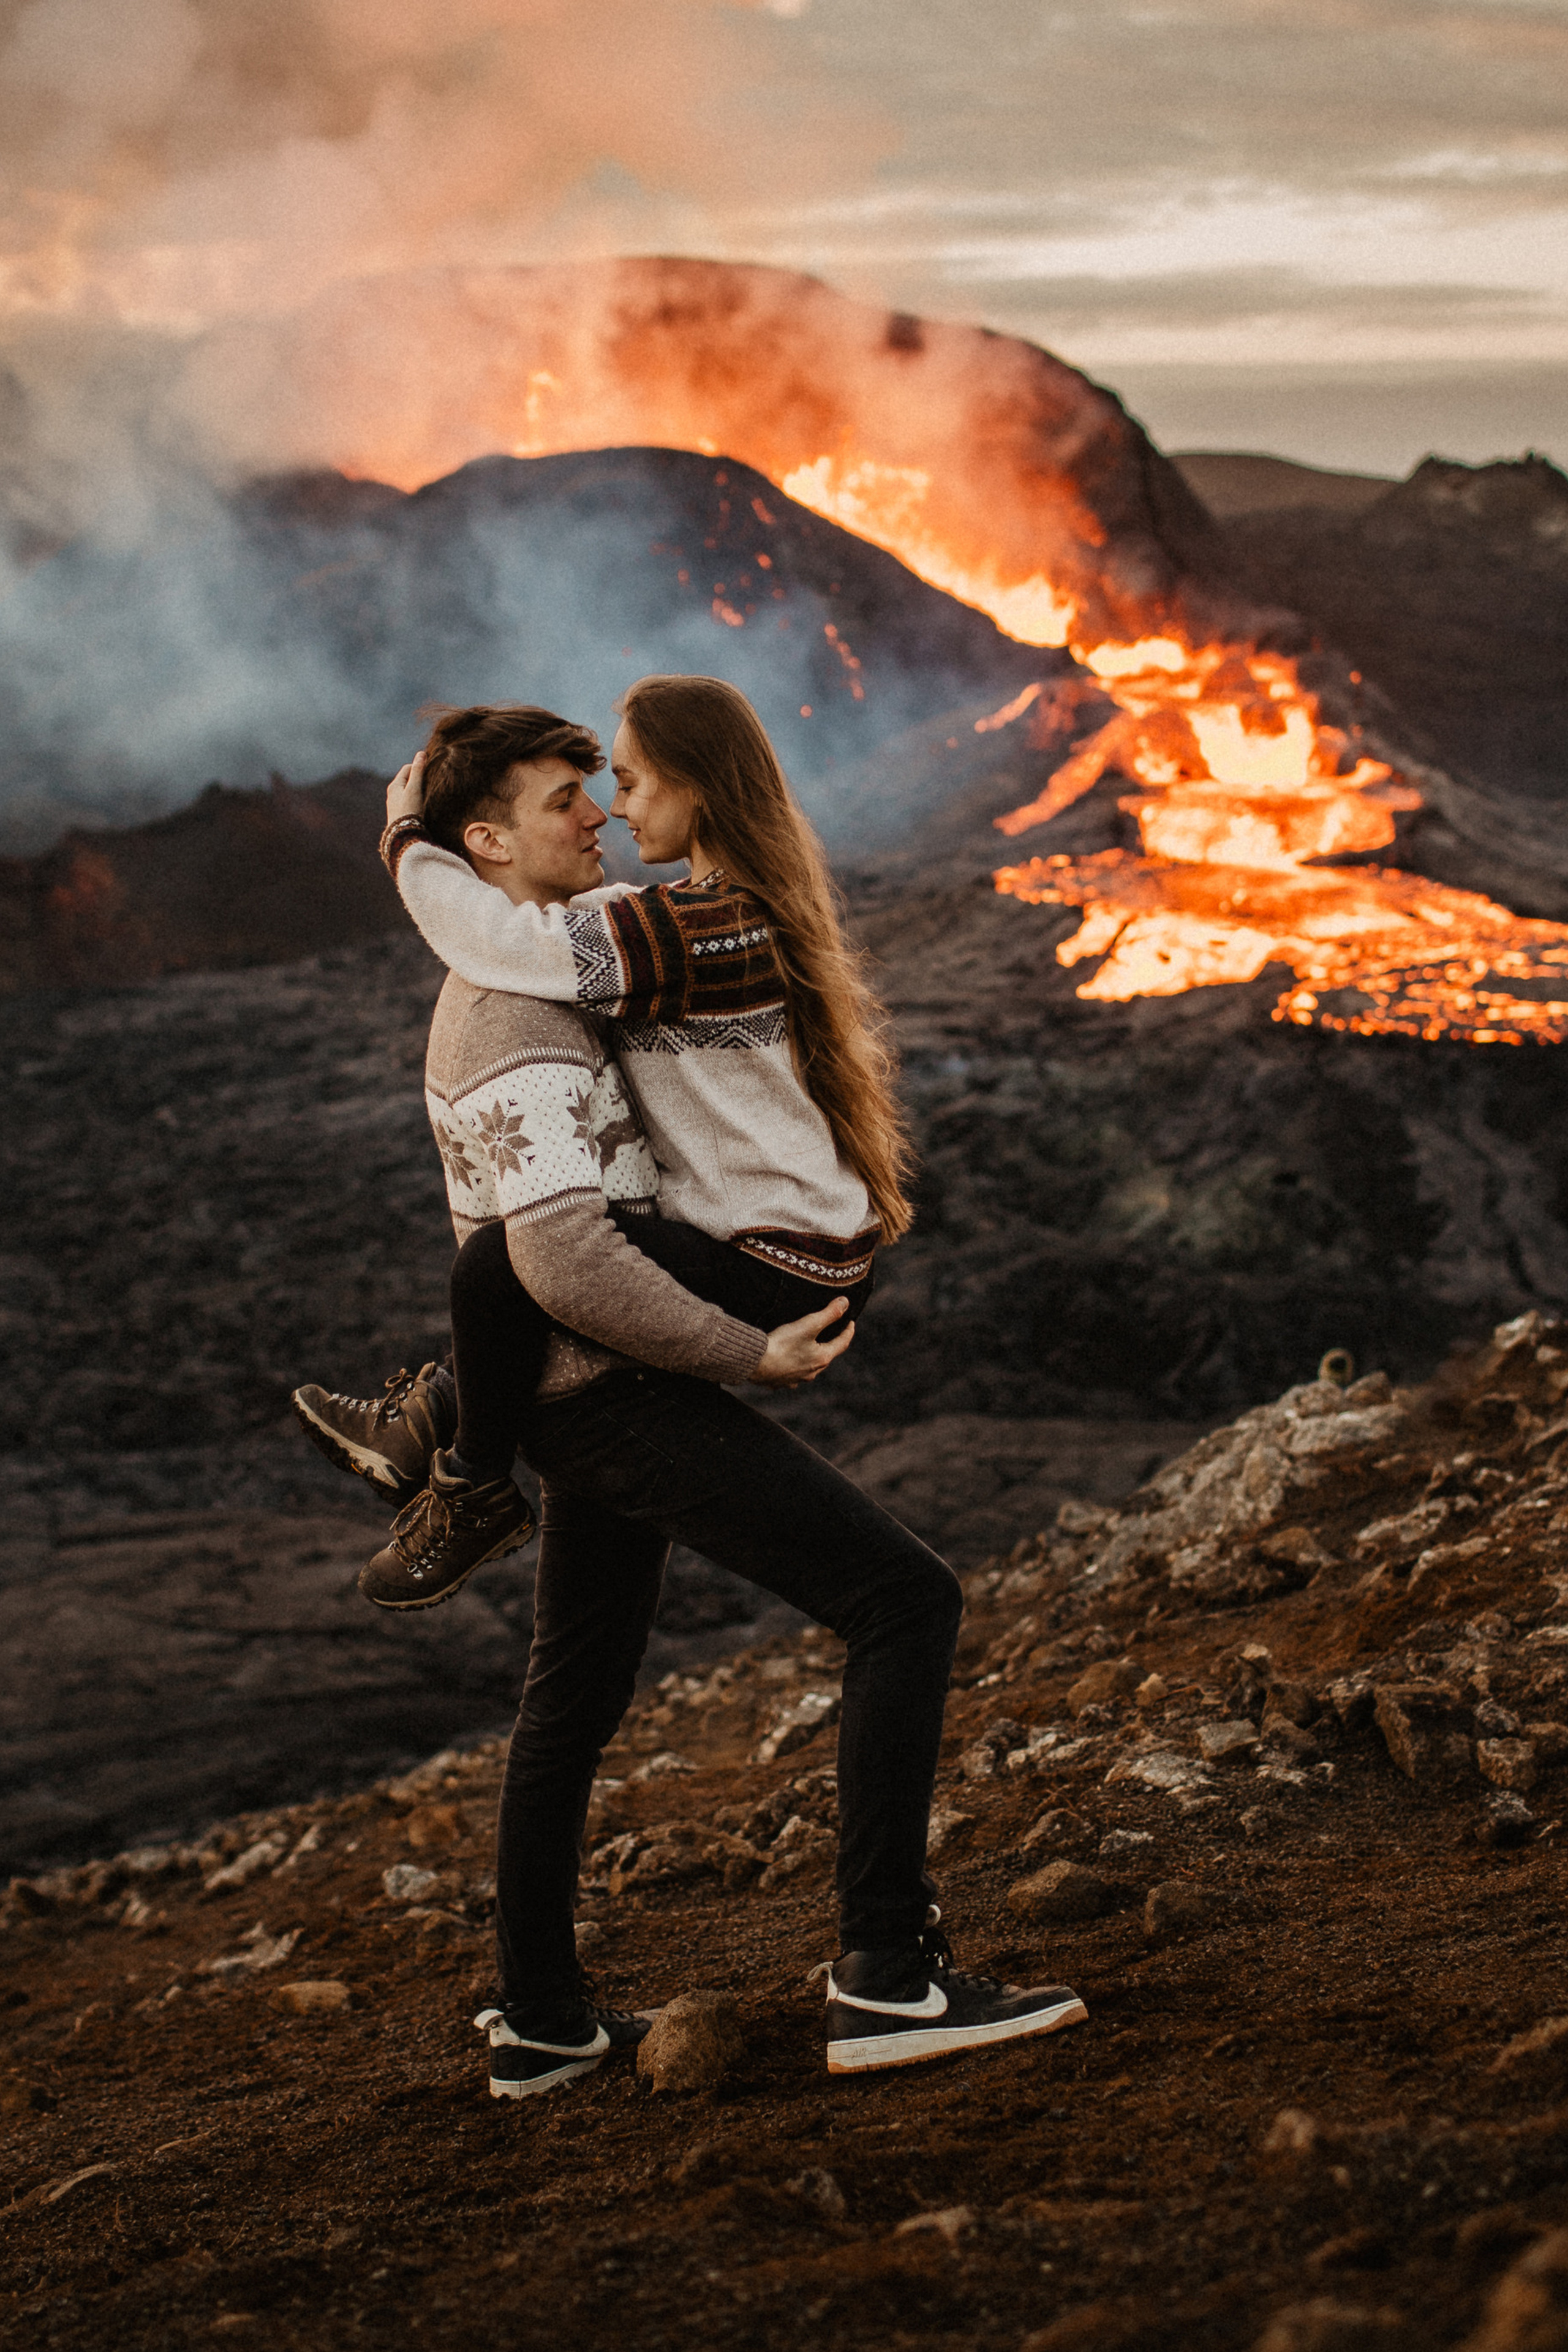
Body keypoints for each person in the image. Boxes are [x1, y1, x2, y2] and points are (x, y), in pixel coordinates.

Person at [295, 696, 1088, 2095]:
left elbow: (538, 1241)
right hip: (614, 1387)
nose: (603, 811)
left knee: (572, 1695)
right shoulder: (518, 1004)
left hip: (591, 1378)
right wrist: (747, 1354)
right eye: (570, 800)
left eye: (624, 786)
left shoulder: (626, 943)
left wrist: (414, 830)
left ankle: (539, 2014)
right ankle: (884, 1979)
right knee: (902, 1601)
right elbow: (564, 1257)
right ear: (489, 842)